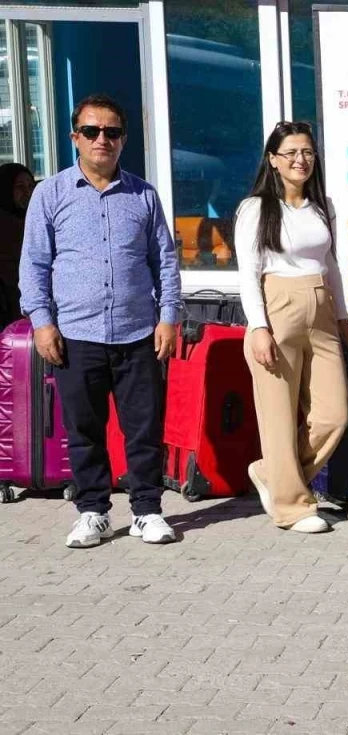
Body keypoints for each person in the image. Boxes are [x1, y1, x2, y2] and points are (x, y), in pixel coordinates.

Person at [19, 94, 182, 548]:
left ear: (123, 139)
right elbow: (33, 264)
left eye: (111, 132)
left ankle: (147, 511)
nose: (101, 139)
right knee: (84, 431)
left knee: (144, 429)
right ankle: (93, 512)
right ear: (75, 137)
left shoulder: (143, 195)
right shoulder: (50, 194)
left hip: (138, 332)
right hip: (76, 334)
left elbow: (164, 261)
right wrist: (42, 322)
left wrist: (168, 316)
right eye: (91, 131)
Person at [235, 121, 348, 534]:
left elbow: (332, 264)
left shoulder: (323, 206)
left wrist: (343, 316)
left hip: (321, 308)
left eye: (307, 152)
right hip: (277, 307)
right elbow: (248, 272)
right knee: (279, 417)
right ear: (273, 160)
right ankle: (291, 507)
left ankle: (272, 473)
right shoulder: (256, 209)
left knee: (333, 414)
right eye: (291, 153)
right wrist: (258, 327)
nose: (300, 160)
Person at [0, 162, 35, 327]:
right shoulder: (5, 224)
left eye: (31, 186)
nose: (28, 192)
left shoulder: (37, 220)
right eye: (20, 187)